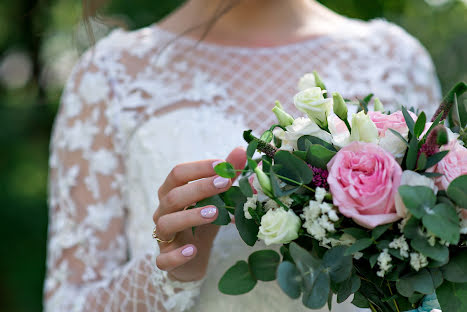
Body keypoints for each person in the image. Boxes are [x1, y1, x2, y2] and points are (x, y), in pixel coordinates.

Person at [43, 0, 441, 311]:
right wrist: (169, 273)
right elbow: (68, 303)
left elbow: (438, 278)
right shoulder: (109, 76)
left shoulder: (396, 61)